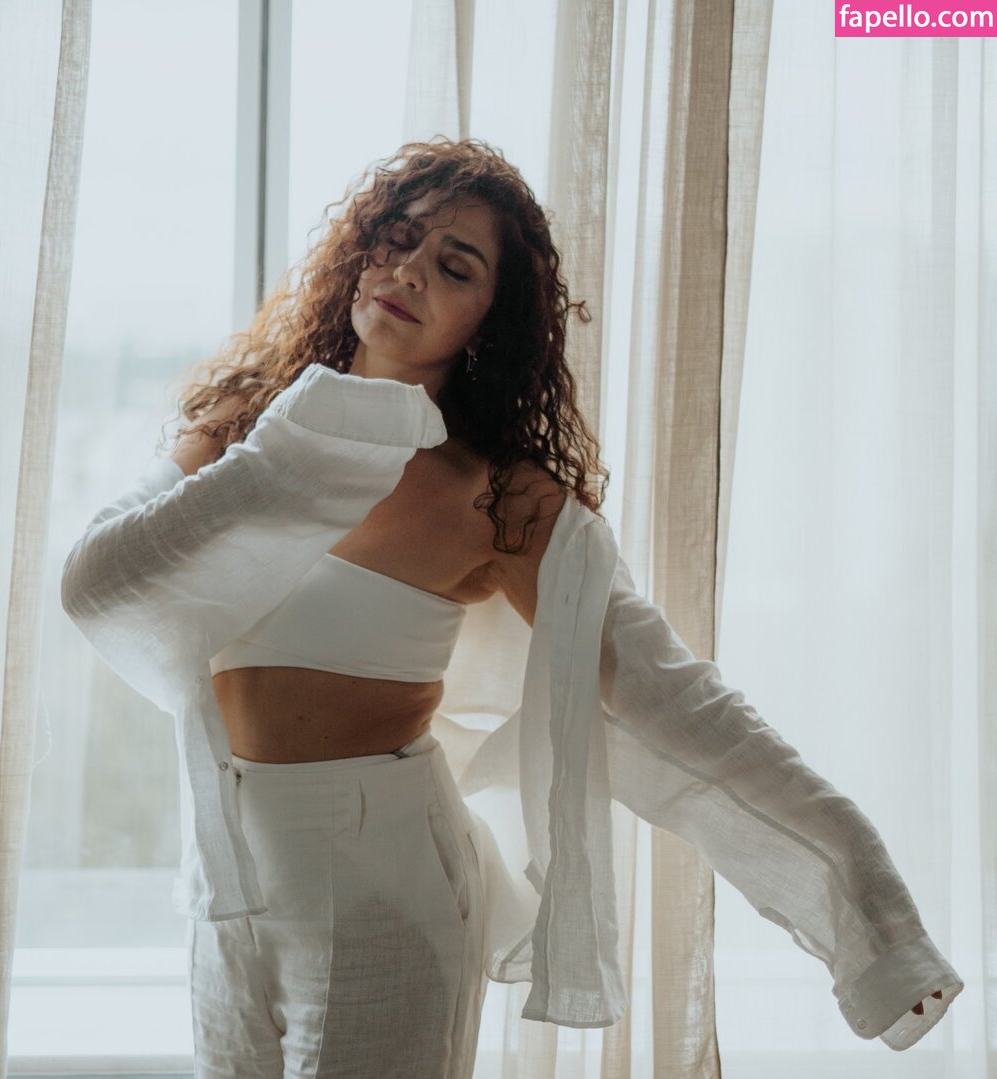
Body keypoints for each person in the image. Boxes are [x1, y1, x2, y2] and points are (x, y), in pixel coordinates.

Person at [60, 139, 961, 1078]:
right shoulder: (250, 429)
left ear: (487, 324)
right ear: (359, 252)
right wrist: (314, 439)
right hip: (227, 874)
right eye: (398, 237)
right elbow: (96, 579)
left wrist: (871, 910)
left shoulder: (497, 499)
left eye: (455, 266)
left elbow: (677, 703)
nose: (411, 270)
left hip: (381, 882)